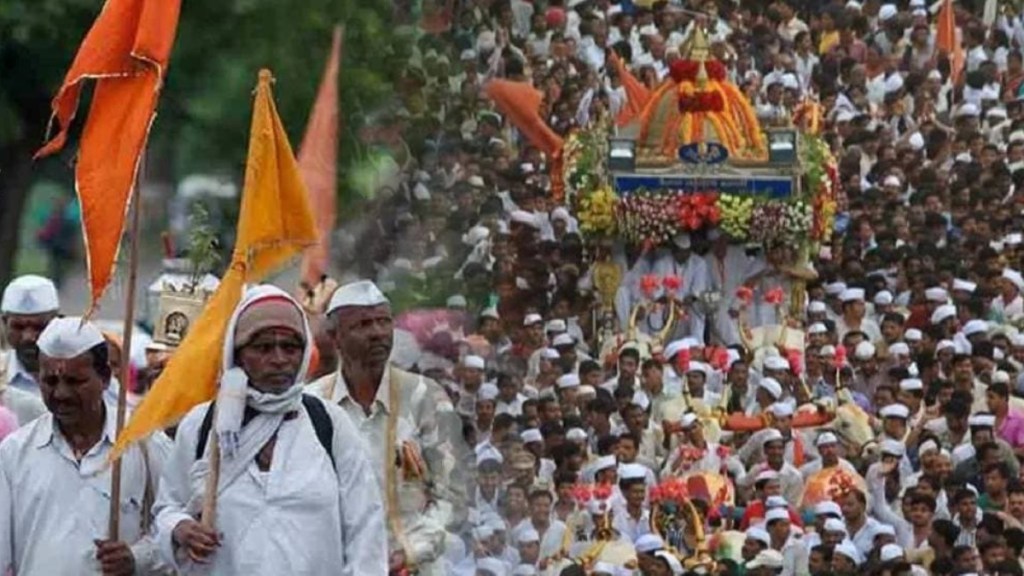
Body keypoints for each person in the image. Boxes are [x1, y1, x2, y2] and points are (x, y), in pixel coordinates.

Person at [153, 286, 386, 574]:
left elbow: (366, 528)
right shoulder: (204, 426)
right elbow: (166, 508)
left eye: (290, 348)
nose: (278, 359)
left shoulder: (329, 423)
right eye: (263, 347)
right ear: (237, 354)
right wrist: (180, 528)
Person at [307, 280, 465, 575]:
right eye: (363, 324)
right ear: (335, 337)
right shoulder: (311, 405)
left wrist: (410, 551)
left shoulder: (425, 397)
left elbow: (453, 496)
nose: (378, 333)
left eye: (383, 322)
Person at [0, 316, 170, 575]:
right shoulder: (14, 453)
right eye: (50, 382)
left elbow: (178, 527)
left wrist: (138, 558)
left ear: (105, 378)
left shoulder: (143, 442)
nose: (61, 394)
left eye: (75, 381)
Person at [0, 275, 55, 424]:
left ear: (57, 321)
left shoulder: (83, 374)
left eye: (39, 327)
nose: (29, 337)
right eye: (18, 327)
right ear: (4, 323)